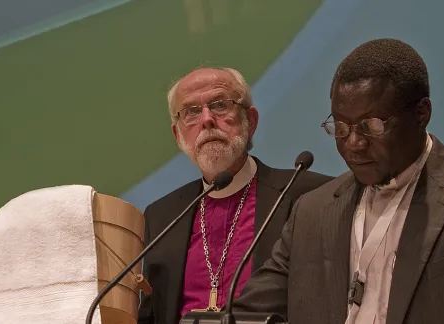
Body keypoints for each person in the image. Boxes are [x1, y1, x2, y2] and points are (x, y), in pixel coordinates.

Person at [233, 39, 444, 324]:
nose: (354, 144)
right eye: (341, 127)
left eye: (371, 126)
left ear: (421, 113)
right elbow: (246, 315)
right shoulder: (311, 214)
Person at [137, 67, 334, 324]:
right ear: (177, 135)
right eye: (192, 112)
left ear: (250, 121)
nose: (206, 119)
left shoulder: (307, 195)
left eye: (219, 105)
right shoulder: (161, 216)